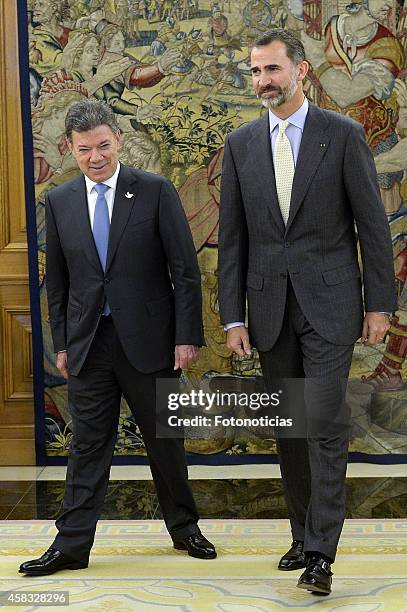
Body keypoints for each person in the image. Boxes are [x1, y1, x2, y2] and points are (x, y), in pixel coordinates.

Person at [218, 29, 395, 595]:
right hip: (269, 310)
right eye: (254, 72)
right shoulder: (241, 143)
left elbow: (373, 226)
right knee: (289, 428)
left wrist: (380, 305)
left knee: (322, 425)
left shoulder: (342, 135)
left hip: (332, 305)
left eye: (271, 69)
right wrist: (232, 316)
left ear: (300, 71)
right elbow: (233, 242)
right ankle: (301, 534)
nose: (262, 81)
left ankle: (322, 553)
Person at [19, 99, 216, 576]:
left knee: (164, 441)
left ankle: (185, 527)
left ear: (118, 141)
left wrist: (186, 337)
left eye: (103, 146)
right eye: (85, 149)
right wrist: (64, 343)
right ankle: (70, 545)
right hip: (89, 344)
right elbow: (59, 283)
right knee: (87, 445)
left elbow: (184, 273)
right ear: (70, 149)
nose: (95, 157)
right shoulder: (60, 200)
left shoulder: (154, 190)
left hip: (152, 342)